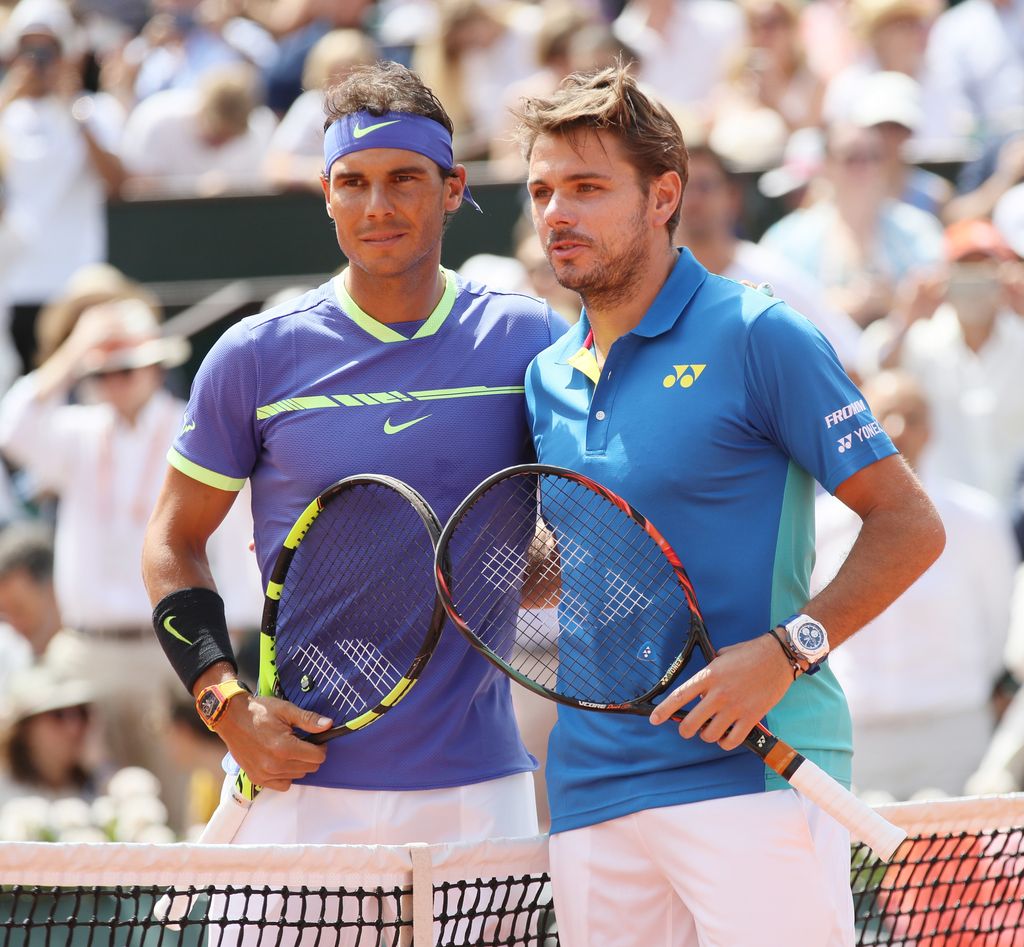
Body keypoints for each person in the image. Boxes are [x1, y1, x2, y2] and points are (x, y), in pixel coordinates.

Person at [513, 64, 945, 946]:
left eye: (587, 187)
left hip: (756, 768)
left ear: (664, 196)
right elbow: (579, 560)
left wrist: (790, 651)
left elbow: (911, 524)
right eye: (542, 191)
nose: (557, 212)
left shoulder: (759, 332)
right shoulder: (545, 375)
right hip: (591, 786)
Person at [140, 61, 566, 857]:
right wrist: (225, 702)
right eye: (353, 182)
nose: (378, 206)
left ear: (452, 187)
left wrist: (516, 553)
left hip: (478, 793)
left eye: (405, 178)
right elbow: (171, 540)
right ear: (327, 194)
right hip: (295, 782)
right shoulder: (254, 355)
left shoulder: (531, 337)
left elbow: (572, 532)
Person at [0, 296, 261, 830]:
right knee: (86, 812)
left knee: (172, 812)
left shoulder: (192, 426)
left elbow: (233, 541)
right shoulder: (79, 431)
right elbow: (13, 426)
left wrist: (220, 654)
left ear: (156, 366)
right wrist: (76, 350)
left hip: (171, 651)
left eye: (127, 369)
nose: (114, 382)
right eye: (103, 372)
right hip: (86, 652)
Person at [811, 370, 1018, 799]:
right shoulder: (819, 524)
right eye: (884, 415)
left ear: (932, 431)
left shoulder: (977, 519)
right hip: (854, 733)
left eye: (913, 416)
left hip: (952, 731)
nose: (898, 428)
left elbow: (1000, 621)